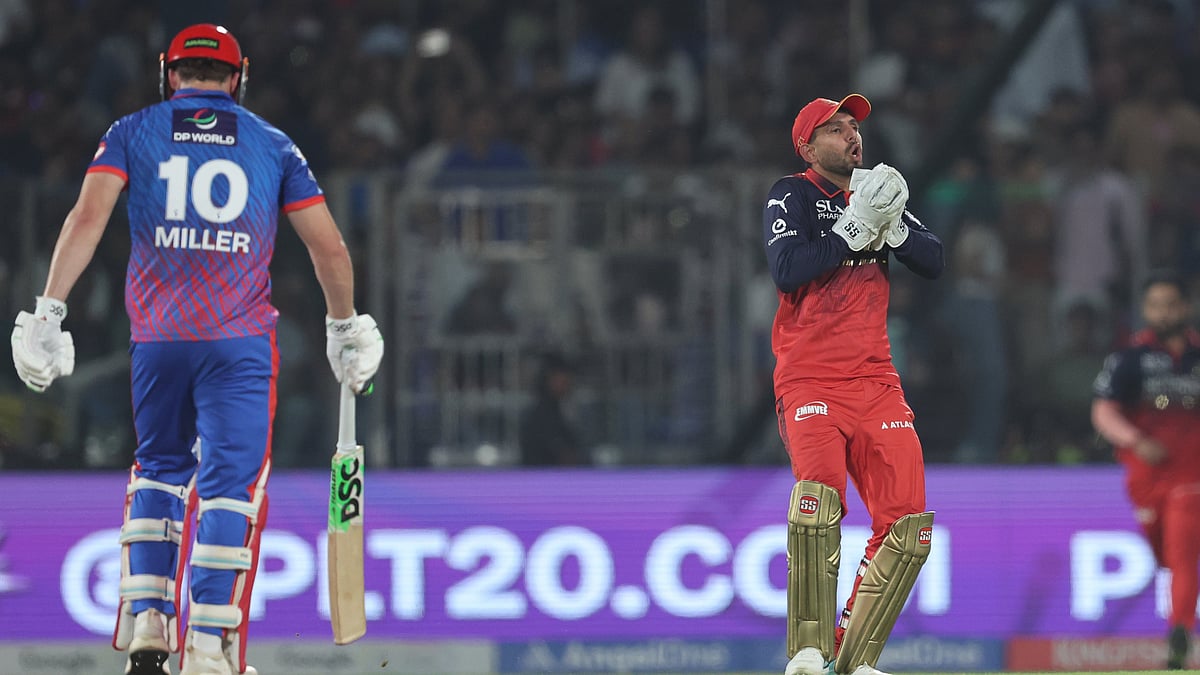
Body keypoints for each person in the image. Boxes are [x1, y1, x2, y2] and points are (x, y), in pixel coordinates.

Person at [9, 24, 383, 675]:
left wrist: (49, 309)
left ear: (168, 71)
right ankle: (210, 644)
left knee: (157, 470)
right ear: (238, 79)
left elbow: (88, 217)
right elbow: (328, 248)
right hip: (237, 344)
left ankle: (149, 621)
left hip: (157, 339)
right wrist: (343, 324)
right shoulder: (274, 144)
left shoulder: (131, 130)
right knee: (230, 489)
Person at [762, 94, 944, 675]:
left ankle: (852, 656)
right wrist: (852, 230)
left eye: (854, 127)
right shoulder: (790, 194)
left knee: (910, 526)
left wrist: (891, 231)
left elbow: (934, 260)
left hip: (876, 380)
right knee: (819, 502)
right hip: (810, 375)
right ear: (807, 146)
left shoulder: (876, 191)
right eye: (835, 130)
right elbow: (787, 270)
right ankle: (809, 653)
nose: (851, 136)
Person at [1091, 271, 1200, 671]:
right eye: (1156, 305)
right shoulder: (1130, 358)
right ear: (1146, 309)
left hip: (1192, 479)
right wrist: (1136, 440)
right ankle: (1180, 623)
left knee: (1183, 552)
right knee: (1167, 557)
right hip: (1146, 480)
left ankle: (1180, 634)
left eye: (1172, 304)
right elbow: (1103, 410)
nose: (1165, 312)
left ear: (1185, 307)